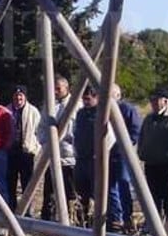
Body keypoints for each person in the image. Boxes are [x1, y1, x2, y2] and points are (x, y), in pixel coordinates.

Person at [138, 87, 168, 224]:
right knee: (153, 194)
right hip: (150, 162)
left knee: (167, 194)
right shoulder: (149, 118)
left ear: (165, 101)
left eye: (156, 100)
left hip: (166, 163)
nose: (153, 103)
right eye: (152, 100)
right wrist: (141, 152)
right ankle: (154, 222)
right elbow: (142, 136)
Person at [39, 78, 77, 222]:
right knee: (49, 194)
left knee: (70, 194)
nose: (55, 91)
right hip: (51, 158)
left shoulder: (76, 106)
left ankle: (71, 221)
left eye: (58, 88)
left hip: (69, 159)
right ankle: (47, 221)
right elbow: (41, 128)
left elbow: (78, 131)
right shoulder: (49, 106)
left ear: (66, 88)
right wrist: (45, 144)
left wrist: (71, 144)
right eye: (54, 88)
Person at [6, 86, 41, 214]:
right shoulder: (7, 110)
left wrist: (36, 147)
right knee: (10, 183)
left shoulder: (33, 111)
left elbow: (39, 131)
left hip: (27, 152)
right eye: (16, 96)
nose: (18, 98)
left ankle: (27, 211)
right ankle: (11, 209)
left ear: (25, 97)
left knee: (27, 184)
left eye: (20, 96)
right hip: (11, 152)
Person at [111, 84, 141, 233]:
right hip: (107, 154)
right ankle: (115, 217)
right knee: (110, 187)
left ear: (118, 95)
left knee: (123, 184)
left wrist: (123, 144)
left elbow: (135, 132)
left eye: (112, 94)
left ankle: (127, 216)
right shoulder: (102, 109)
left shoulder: (127, 109)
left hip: (122, 154)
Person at [71, 85, 101, 226]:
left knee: (97, 192)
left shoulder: (101, 113)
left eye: (88, 99)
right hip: (81, 158)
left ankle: (97, 220)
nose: (85, 102)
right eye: (84, 99)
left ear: (96, 98)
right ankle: (82, 218)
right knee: (81, 190)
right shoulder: (81, 113)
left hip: (95, 159)